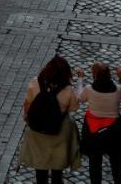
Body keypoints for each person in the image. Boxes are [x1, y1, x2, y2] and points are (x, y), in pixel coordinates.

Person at [18, 56, 81, 184]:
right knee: (57, 170)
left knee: (40, 168)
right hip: (58, 133)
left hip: (37, 132)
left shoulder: (35, 82)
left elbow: (28, 104)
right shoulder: (68, 89)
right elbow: (74, 107)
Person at [75, 63, 121, 184]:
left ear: (95, 76)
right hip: (114, 131)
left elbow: (79, 97)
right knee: (116, 164)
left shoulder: (89, 90)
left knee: (95, 164)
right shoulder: (118, 90)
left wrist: (80, 78)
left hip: (93, 132)